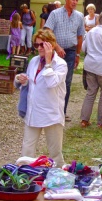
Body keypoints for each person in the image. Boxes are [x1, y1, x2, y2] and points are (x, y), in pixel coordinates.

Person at [15, 29, 67, 168]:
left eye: (42, 45)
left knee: (55, 152)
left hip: (51, 113)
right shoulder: (34, 61)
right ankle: (25, 177)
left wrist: (49, 62)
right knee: (27, 149)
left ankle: (59, 178)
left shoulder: (60, 64)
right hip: (33, 111)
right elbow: (32, 83)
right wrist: (23, 80)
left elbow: (51, 83)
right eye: (36, 45)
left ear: (51, 45)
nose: (38, 48)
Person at [44, 0, 85, 121]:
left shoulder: (79, 16)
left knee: (66, 82)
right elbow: (47, 32)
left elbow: (80, 37)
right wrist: (57, 47)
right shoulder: (55, 14)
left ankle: (62, 111)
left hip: (71, 52)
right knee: (51, 79)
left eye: (77, 0)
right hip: (55, 51)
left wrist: (78, 54)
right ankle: (50, 110)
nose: (75, 2)